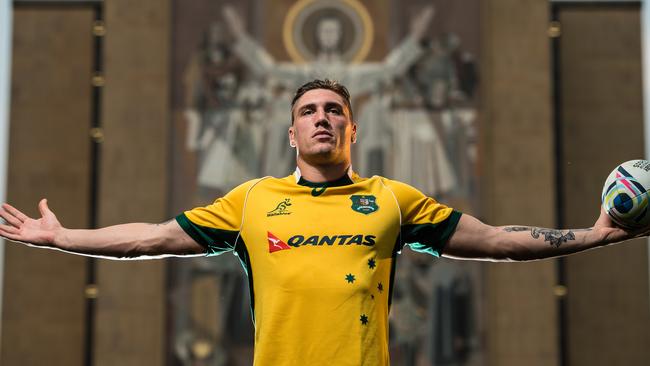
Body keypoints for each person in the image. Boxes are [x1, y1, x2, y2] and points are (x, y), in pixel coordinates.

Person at [0, 79, 646, 366]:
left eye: (334, 109)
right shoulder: (251, 202)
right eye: (309, 110)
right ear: (291, 132)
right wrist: (62, 238)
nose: (322, 117)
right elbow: (148, 238)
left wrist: (590, 236)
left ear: (351, 128)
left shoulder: (392, 200)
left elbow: (496, 241)